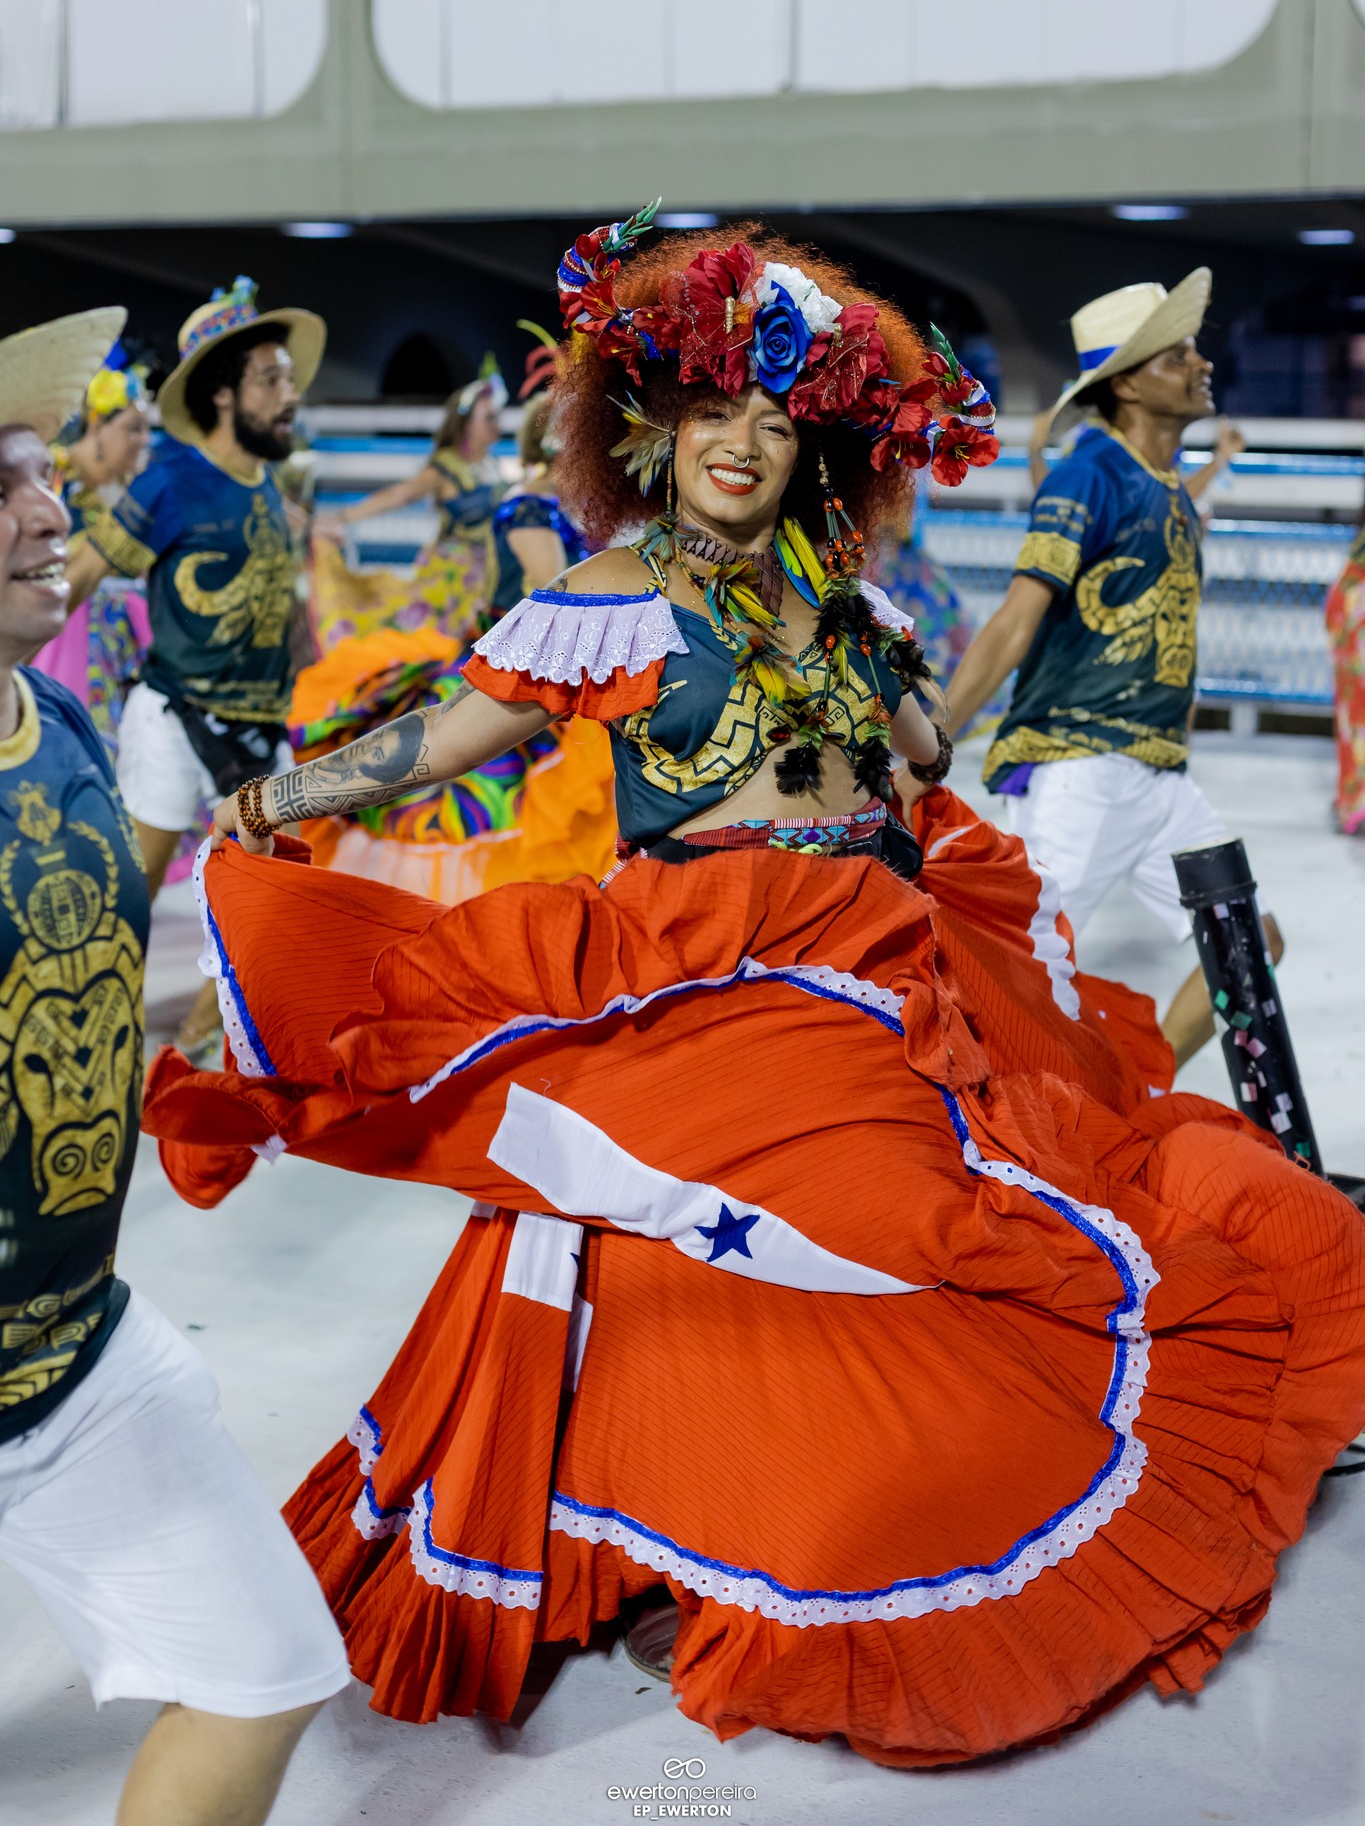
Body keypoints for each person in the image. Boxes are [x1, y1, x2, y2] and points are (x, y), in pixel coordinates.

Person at [145, 214, 1365, 1770]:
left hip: (880, 955)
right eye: (716, 414)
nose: (744, 445)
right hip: (713, 973)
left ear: (821, 455)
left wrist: (920, 756)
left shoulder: (837, 595)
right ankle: (729, 1532)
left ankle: (765, 1507)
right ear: (654, 429)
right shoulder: (612, 589)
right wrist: (281, 794)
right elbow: (446, 740)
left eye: (780, 425)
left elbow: (923, 761)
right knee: (875, 1227)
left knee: (1032, 1212)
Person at [0, 312, 351, 1826]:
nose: (48, 505)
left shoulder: (61, 721)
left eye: (36, 471)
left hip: (72, 1356)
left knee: (265, 1664)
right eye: (1, 480)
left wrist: (190, 1021)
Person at [945, 272, 1270, 1068]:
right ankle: (955, 1133)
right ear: (1126, 382)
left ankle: (1127, 1096)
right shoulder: (1087, 473)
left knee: (1249, 945)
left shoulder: (1167, 488)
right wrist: (928, 744)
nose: (1201, 364)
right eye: (1177, 355)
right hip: (1080, 768)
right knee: (1014, 975)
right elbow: (1015, 619)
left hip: (1159, 778)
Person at [63, 276, 324, 1059]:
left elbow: (290, 617)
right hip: (174, 721)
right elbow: (77, 572)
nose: (290, 395)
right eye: (271, 379)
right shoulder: (169, 482)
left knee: (273, 892)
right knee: (133, 896)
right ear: (222, 396)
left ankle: (203, 1040)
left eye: (288, 377)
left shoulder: (273, 486)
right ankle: (79, 1026)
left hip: (260, 730)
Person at [289, 336, 615, 903]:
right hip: (498, 622)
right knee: (485, 772)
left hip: (506, 614)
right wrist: (344, 519)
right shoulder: (528, 502)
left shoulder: (512, 481)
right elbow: (547, 586)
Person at [310, 362, 509, 647]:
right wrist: (340, 517)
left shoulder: (493, 466)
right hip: (452, 583)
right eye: (489, 419)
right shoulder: (446, 467)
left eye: (497, 418)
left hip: (489, 580)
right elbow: (398, 495)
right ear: (466, 424)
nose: (497, 427)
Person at [30, 346, 151, 747]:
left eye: (146, 429)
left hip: (117, 668)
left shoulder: (122, 492)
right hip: (59, 659)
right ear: (98, 425)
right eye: (133, 428)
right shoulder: (50, 478)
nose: (143, 441)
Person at [1327, 502, 1365, 835]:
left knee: (1354, 717)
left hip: (1350, 606)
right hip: (1355, 613)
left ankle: (1353, 803)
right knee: (1355, 716)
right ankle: (1355, 804)